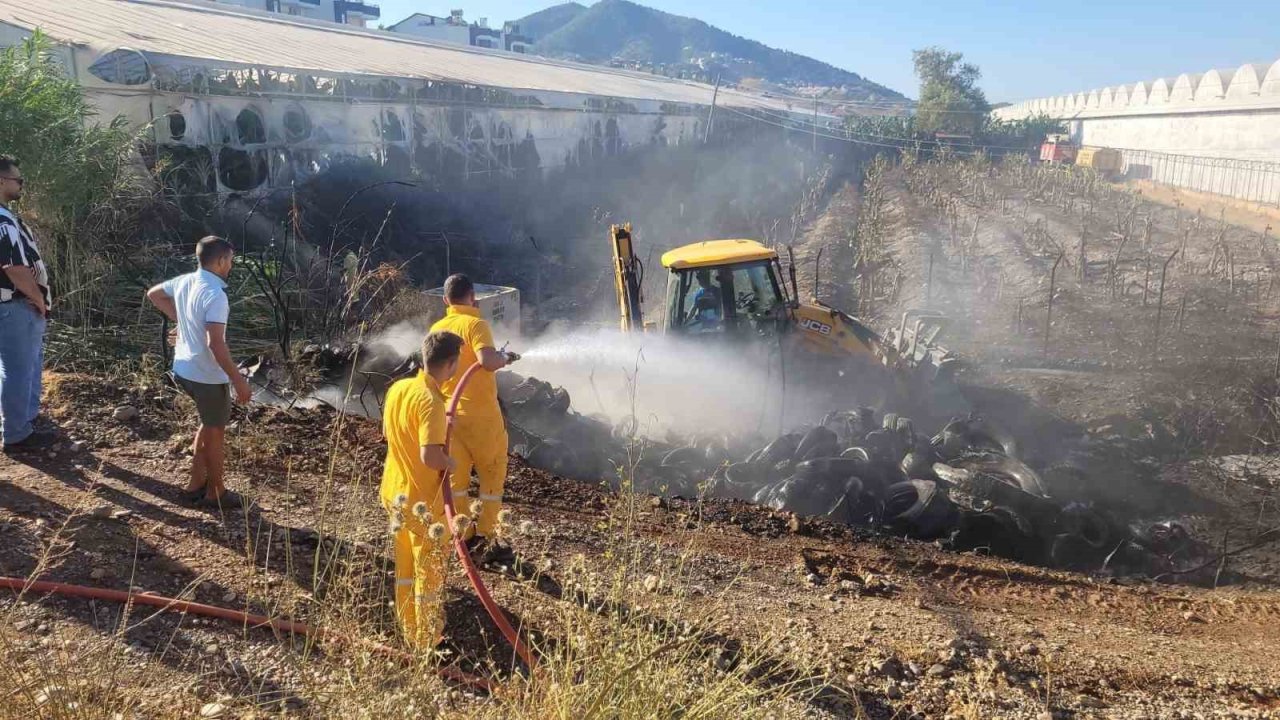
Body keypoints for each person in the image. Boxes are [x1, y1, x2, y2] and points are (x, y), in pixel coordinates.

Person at [146, 236, 252, 509]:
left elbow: (154, 294)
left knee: (208, 424)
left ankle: (194, 485)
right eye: (229, 260)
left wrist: (183, 322)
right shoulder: (216, 295)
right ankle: (215, 492)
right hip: (207, 375)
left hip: (184, 369)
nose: (230, 265)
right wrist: (238, 380)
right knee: (216, 433)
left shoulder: (184, 281)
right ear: (219, 261)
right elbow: (215, 344)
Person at [380, 330, 462, 650]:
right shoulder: (432, 403)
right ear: (451, 364)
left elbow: (390, 433)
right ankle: (427, 640)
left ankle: (408, 628)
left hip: (394, 494)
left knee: (404, 567)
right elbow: (430, 457)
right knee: (428, 573)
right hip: (422, 504)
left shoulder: (399, 388)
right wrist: (452, 463)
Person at [429, 274, 518, 563]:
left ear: (445, 301)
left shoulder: (437, 327)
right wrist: (504, 358)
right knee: (492, 475)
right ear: (473, 298)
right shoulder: (476, 324)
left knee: (457, 480)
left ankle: (463, 536)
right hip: (481, 418)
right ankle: (490, 539)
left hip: (449, 419)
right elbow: (486, 362)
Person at [0, 154, 54, 452]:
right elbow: (15, 269)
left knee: (14, 368)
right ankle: (18, 434)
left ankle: (21, 420)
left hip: (10, 305)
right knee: (18, 370)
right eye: (18, 180)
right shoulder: (3, 222)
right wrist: (38, 299)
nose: (21, 185)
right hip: (15, 305)